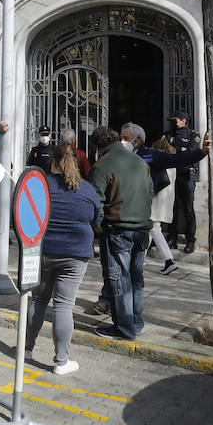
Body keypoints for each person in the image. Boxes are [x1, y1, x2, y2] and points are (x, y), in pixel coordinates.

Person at [25, 143, 101, 375]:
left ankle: (26, 350)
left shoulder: (41, 185)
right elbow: (96, 220)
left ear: (53, 162)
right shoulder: (87, 190)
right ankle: (61, 361)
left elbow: (26, 215)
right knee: (64, 305)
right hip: (75, 255)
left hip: (43, 251)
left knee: (38, 300)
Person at [86, 125, 153, 340]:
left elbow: (94, 204)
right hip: (142, 229)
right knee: (136, 278)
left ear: (98, 146)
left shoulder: (101, 166)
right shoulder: (140, 162)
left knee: (119, 280)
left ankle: (124, 328)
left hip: (118, 230)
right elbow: (149, 193)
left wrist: (97, 226)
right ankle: (135, 322)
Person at [121, 123, 210, 275]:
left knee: (151, 230)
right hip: (128, 210)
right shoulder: (122, 156)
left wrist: (200, 153)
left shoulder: (150, 154)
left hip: (145, 206)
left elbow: (177, 159)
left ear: (138, 139)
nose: (123, 141)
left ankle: (150, 263)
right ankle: (144, 264)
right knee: (149, 232)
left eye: (126, 138)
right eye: (121, 137)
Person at [165, 112, 204, 253]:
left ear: (183, 120)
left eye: (175, 120)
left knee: (188, 209)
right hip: (172, 174)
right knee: (171, 208)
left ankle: (190, 240)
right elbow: (164, 150)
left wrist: (177, 151)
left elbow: (192, 153)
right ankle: (172, 238)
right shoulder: (168, 135)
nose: (173, 123)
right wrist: (180, 150)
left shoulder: (193, 135)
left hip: (187, 176)